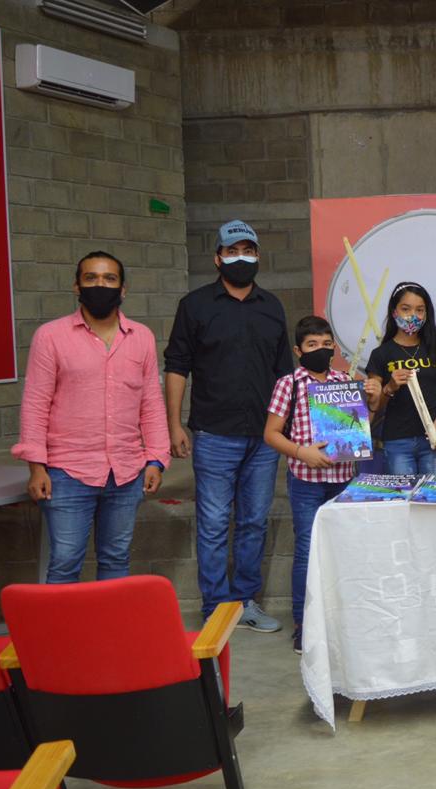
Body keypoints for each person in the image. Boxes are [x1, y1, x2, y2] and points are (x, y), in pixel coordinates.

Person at [164, 220, 291, 633]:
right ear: (217, 257)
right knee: (215, 523)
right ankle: (215, 609)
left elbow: (283, 374)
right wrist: (174, 424)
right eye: (233, 251)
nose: (243, 258)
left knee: (254, 521)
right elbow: (177, 366)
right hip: (214, 434)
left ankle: (244, 602)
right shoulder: (195, 306)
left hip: (264, 437)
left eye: (249, 250)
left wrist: (288, 428)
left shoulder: (272, 306)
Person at [12, 252, 169, 583]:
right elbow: (35, 403)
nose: (101, 285)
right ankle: (58, 635)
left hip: (126, 472)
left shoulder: (142, 337)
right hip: (67, 472)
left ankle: (108, 634)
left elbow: (151, 403)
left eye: (109, 278)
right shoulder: (51, 336)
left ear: (122, 289)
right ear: (76, 286)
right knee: (66, 561)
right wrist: (36, 467)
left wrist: (155, 459)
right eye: (91, 278)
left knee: (116, 559)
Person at [263, 316, 358, 654]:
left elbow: (358, 427)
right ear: (298, 350)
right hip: (306, 481)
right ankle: (304, 624)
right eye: (312, 345)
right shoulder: (289, 384)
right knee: (306, 551)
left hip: (342, 478)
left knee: (341, 549)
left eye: (326, 344)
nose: (321, 350)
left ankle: (340, 622)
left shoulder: (343, 380)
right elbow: (271, 433)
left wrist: (374, 398)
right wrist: (301, 452)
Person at [363, 282, 436, 474]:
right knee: (402, 499)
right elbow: (375, 407)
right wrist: (390, 387)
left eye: (420, 310)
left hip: (432, 438)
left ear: (427, 314)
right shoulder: (381, 354)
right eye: (406, 309)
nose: (413, 315)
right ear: (394, 311)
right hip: (397, 442)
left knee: (434, 496)